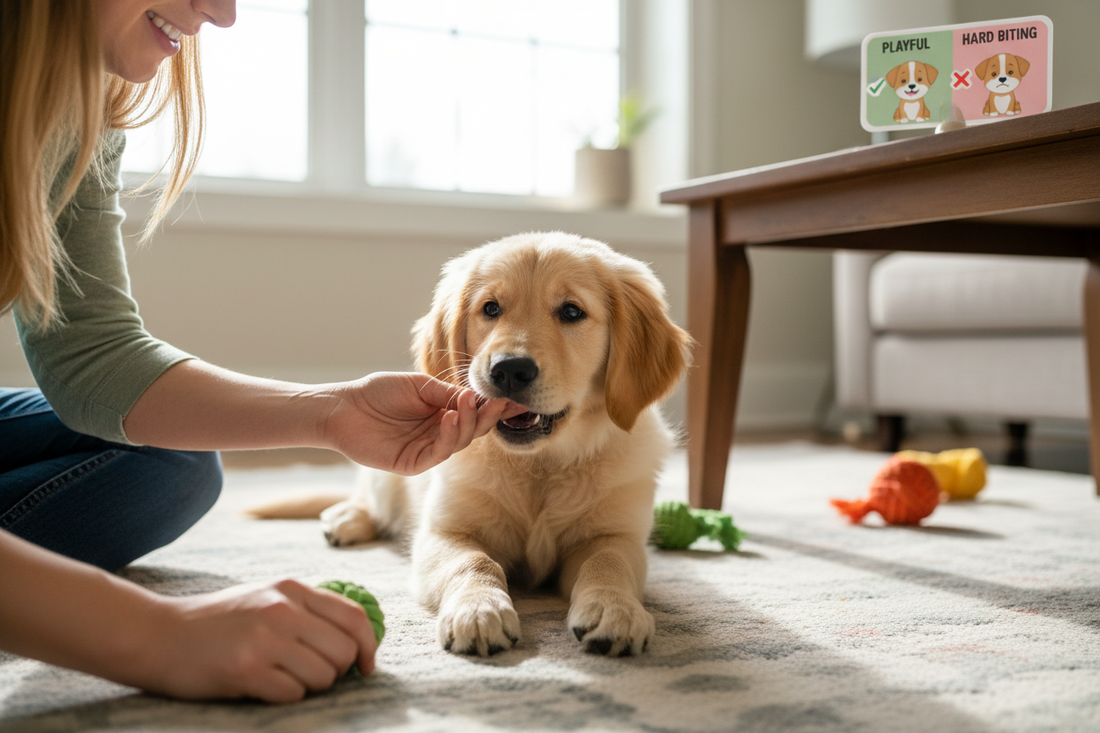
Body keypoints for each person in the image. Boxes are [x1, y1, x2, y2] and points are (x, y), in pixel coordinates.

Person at [0, 0, 520, 704]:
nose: (222, 13)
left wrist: (330, 412)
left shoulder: (78, 104)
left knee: (175, 459)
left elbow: (92, 355)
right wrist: (160, 636)